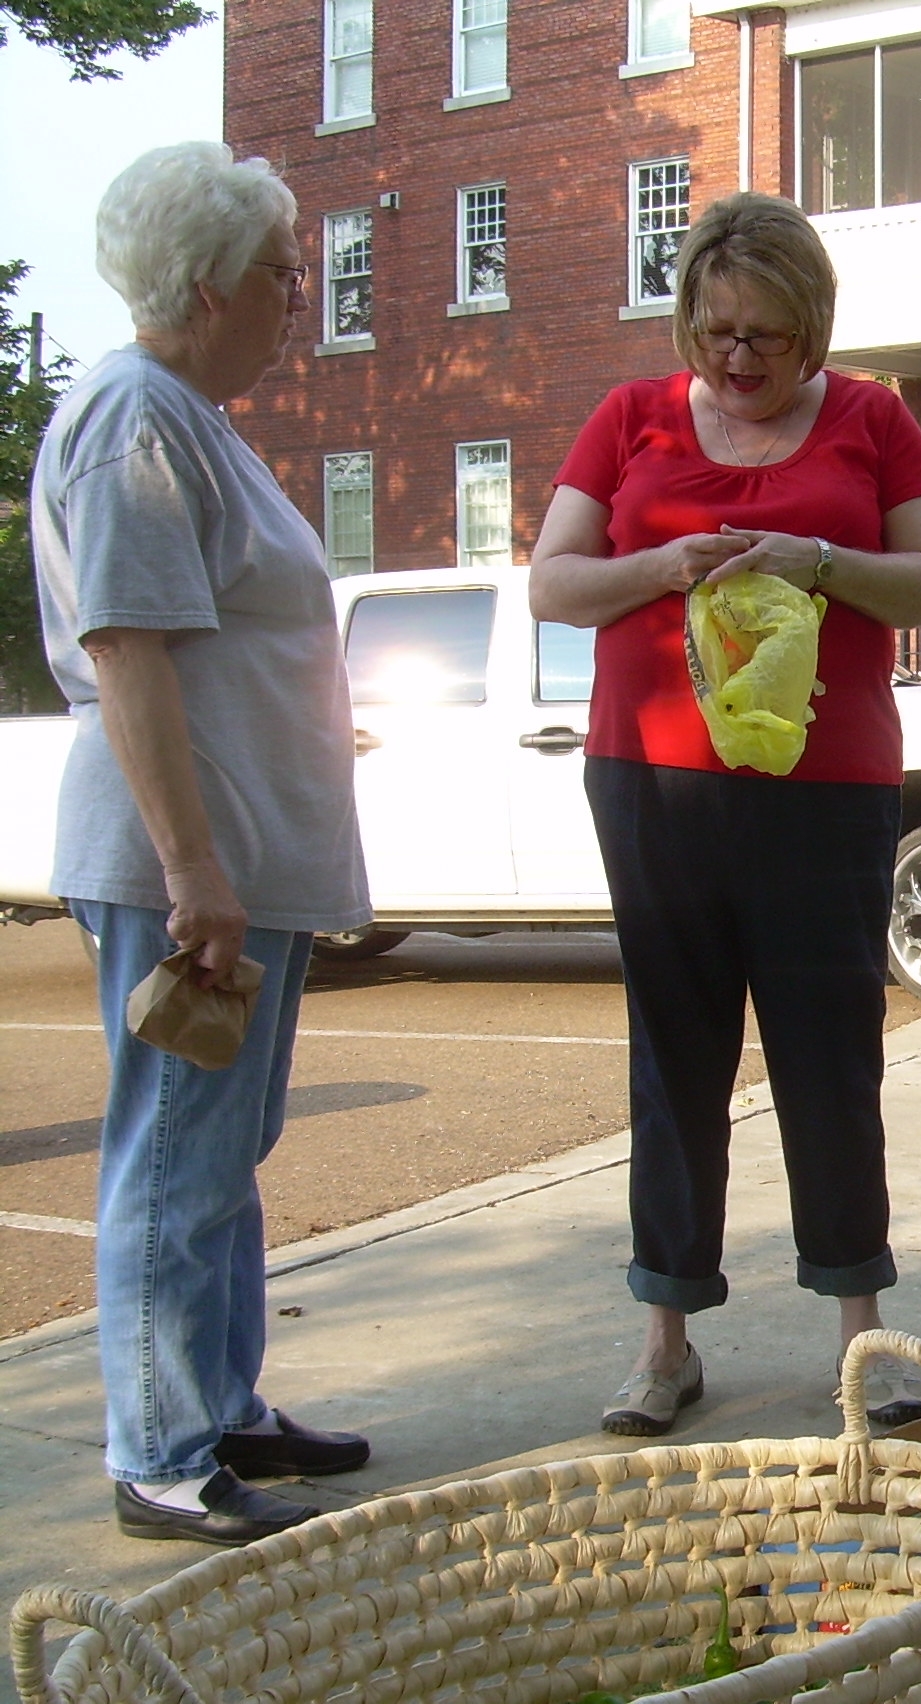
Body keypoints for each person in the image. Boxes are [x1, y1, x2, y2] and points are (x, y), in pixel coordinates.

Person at [530, 193, 921, 1437]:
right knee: (675, 1053)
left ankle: (862, 1340)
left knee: (832, 1051)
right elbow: (554, 584)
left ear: (811, 325)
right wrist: (665, 567)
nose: (737, 358)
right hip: (654, 778)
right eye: (716, 330)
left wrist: (810, 559)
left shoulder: (874, 418)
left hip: (825, 790)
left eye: (765, 335)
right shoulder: (630, 419)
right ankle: (664, 1339)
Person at [30, 141, 374, 1546]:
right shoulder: (135, 420)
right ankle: (161, 1449)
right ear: (206, 282)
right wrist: (195, 870)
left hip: (248, 864)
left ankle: (218, 1401)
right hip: (190, 872)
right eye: (280, 275)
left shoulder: (197, 417)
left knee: (222, 1150)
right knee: (172, 1157)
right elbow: (128, 653)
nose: (298, 297)